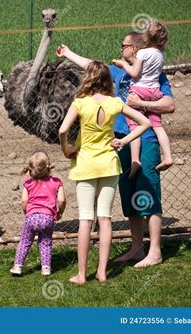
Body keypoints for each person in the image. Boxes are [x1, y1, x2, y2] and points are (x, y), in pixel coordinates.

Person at [56, 31, 175, 268]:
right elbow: (93, 67)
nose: (121, 49)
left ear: (135, 49)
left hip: (146, 139)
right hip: (119, 142)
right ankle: (136, 247)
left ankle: (155, 250)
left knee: (148, 193)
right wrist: (68, 53)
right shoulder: (118, 71)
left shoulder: (153, 75)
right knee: (130, 196)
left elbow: (169, 104)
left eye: (124, 45)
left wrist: (141, 104)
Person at [58, 61, 151, 285]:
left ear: (88, 78)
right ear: (107, 79)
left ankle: (81, 275)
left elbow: (62, 129)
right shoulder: (115, 102)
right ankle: (102, 272)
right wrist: (124, 141)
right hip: (109, 163)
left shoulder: (80, 103)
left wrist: (67, 149)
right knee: (105, 218)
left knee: (85, 219)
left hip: (86, 164)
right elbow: (144, 122)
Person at [113, 19, 172, 178]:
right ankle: (167, 157)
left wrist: (123, 65)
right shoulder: (160, 55)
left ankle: (135, 160)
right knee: (158, 127)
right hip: (154, 92)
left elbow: (135, 73)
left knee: (135, 125)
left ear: (147, 37)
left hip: (140, 90)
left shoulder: (143, 53)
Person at [10, 151, 66, 276]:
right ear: (48, 166)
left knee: (24, 242)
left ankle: (18, 266)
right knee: (45, 242)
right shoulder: (57, 182)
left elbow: (24, 201)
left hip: (31, 217)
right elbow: (61, 200)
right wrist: (59, 212)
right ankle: (46, 268)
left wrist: (27, 212)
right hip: (48, 218)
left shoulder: (28, 183)